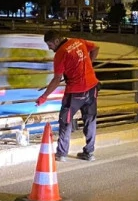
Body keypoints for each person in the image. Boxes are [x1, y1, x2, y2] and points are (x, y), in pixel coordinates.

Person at [35, 30, 99, 161]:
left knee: (65, 121)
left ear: (57, 41)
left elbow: (57, 79)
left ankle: (62, 154)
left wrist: (44, 96)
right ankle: (89, 153)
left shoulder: (60, 54)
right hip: (92, 88)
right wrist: (89, 65)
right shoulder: (78, 41)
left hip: (74, 92)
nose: (49, 48)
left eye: (50, 45)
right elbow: (95, 48)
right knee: (90, 121)